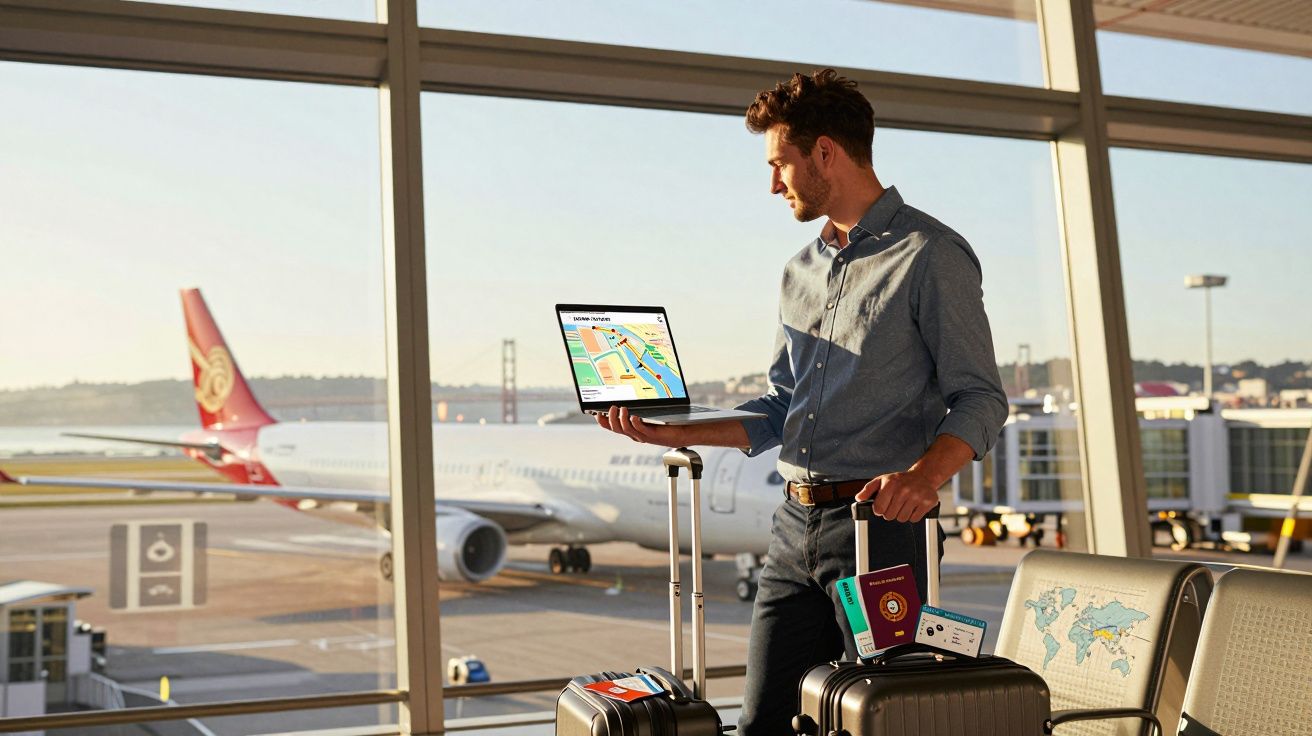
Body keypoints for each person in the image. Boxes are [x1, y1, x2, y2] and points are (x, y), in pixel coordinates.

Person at [596, 68, 1008, 735]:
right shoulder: (799, 272)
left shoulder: (931, 255)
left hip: (882, 533)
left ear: (824, 153)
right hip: (793, 532)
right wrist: (678, 434)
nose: (772, 183)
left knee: (880, 721)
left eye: (779, 163)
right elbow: (779, 406)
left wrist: (924, 477)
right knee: (764, 722)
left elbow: (983, 399)